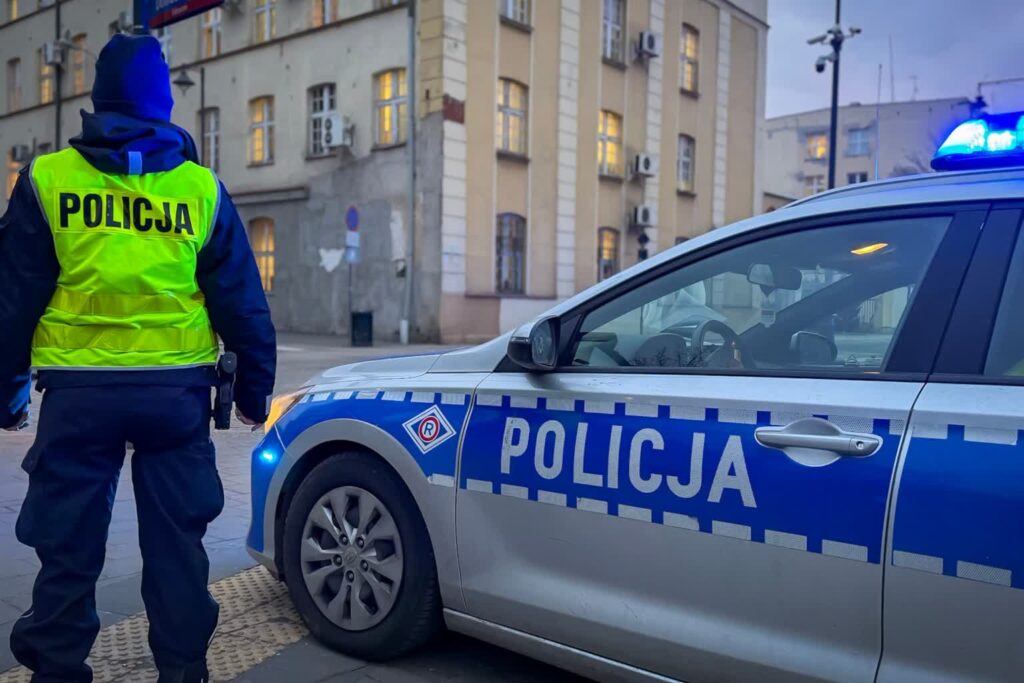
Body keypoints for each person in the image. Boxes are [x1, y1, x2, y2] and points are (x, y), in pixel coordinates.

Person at [0, 34, 276, 683]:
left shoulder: (48, 180)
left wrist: (9, 395)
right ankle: (183, 673)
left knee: (67, 549)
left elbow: (12, 304)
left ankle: (59, 670)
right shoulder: (199, 189)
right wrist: (254, 393)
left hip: (77, 399)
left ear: (96, 99)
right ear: (164, 104)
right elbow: (242, 301)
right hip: (175, 400)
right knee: (178, 548)